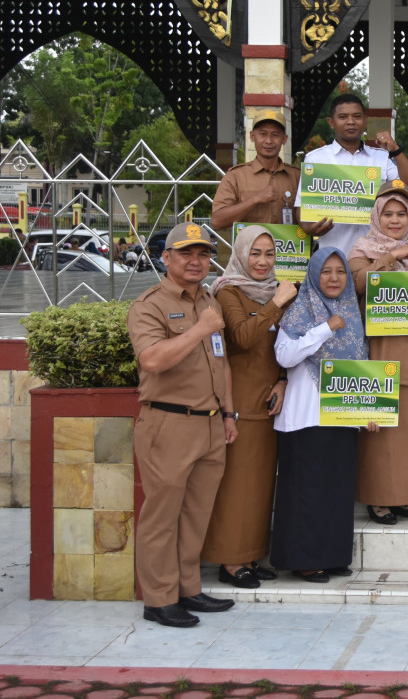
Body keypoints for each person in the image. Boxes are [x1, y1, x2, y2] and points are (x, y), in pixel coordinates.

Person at [127, 222, 238, 628]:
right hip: (168, 423)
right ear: (166, 257)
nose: (196, 261)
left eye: (203, 254)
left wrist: (228, 414)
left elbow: (220, 361)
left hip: (210, 424)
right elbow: (153, 360)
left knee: (195, 513)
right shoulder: (149, 305)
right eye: (186, 253)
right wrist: (199, 329)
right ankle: (158, 599)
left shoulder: (210, 300)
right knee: (162, 515)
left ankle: (188, 588)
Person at [201, 225, 297, 589]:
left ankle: (250, 554)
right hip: (238, 404)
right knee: (238, 486)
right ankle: (229, 559)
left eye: (269, 254)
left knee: (258, 487)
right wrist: (275, 304)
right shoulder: (228, 292)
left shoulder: (275, 290)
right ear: (241, 253)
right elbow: (241, 339)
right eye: (255, 253)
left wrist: (284, 380)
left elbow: (284, 345)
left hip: (268, 403)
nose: (262, 261)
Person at [272, 248, 372, 582]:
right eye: (326, 271)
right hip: (305, 418)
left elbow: (357, 366)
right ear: (314, 274)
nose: (333, 278)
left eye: (340, 272)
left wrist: (365, 411)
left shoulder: (352, 312)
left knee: (336, 490)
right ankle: (304, 559)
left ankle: (331, 556)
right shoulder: (300, 310)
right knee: (307, 491)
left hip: (340, 417)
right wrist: (325, 328)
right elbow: (285, 356)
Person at [349, 180, 408, 523]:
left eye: (401, 214)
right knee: (378, 429)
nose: (395, 221)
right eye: (388, 214)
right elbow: (357, 284)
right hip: (379, 351)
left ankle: (403, 496)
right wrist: (389, 257)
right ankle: (378, 498)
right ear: (376, 217)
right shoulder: (362, 249)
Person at [296, 94, 408, 256]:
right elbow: (301, 205)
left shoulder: (380, 157)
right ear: (331, 123)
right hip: (334, 253)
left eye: (357, 116)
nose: (351, 122)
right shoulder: (316, 159)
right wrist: (308, 227)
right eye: (343, 117)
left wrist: (395, 149)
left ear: (365, 120)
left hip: (375, 256)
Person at [212, 110, 301, 230]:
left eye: (275, 135)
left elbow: (310, 217)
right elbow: (217, 221)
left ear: (284, 139)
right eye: (263, 134)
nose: (268, 141)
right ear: (252, 136)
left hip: (290, 247)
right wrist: (255, 200)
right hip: (250, 248)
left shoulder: (297, 176)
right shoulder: (236, 176)